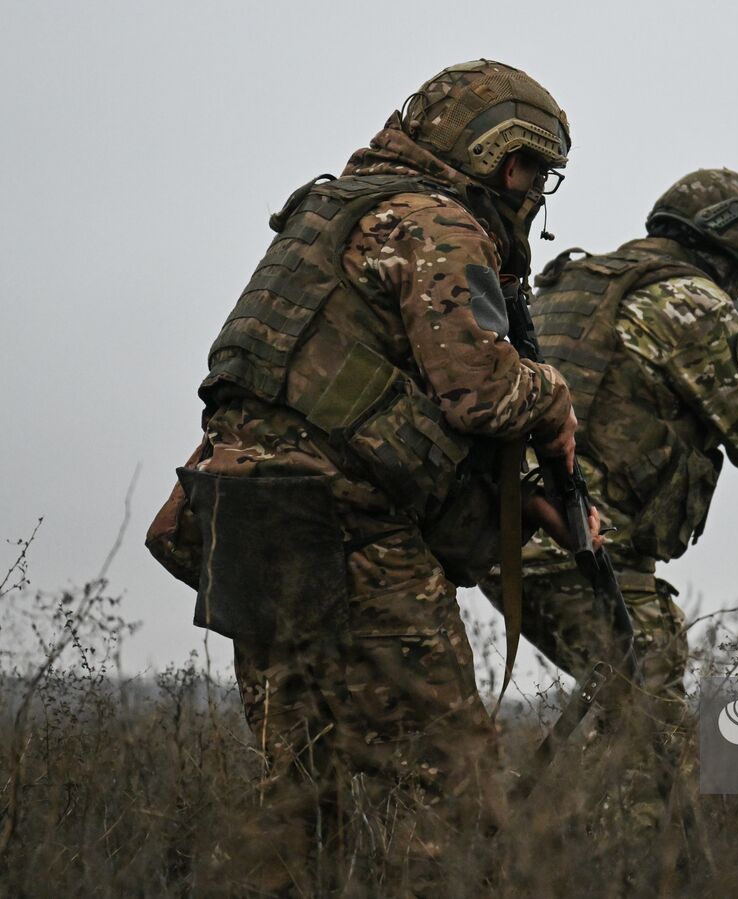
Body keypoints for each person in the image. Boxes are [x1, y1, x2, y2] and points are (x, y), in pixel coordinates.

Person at [145, 59, 581, 890]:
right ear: (496, 155)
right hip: (344, 525)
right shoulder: (434, 222)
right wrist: (553, 395)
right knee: (455, 790)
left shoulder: (330, 211)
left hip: (244, 512)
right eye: (529, 168)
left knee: (296, 793)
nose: (529, 190)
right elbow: (484, 392)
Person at [479, 167, 738, 834]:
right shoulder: (694, 305)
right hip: (584, 549)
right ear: (735, 255)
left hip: (505, 533)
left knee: (630, 706)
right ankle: (628, 869)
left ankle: (517, 845)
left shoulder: (587, 280)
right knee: (653, 742)